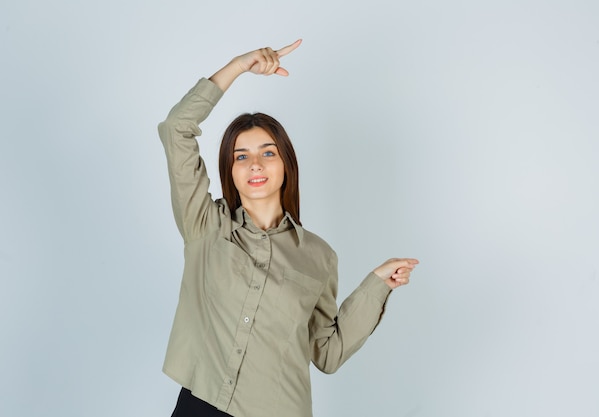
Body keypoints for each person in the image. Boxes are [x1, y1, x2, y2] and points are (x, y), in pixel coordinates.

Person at [158, 39, 419, 417]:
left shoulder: (318, 256)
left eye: (268, 152)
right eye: (241, 156)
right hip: (202, 404)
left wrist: (376, 286)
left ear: (286, 165)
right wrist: (238, 65)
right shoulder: (205, 225)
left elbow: (327, 353)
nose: (255, 165)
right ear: (231, 171)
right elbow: (176, 129)